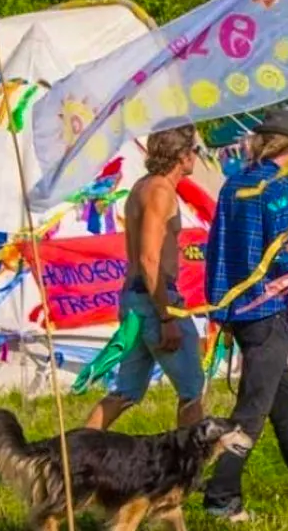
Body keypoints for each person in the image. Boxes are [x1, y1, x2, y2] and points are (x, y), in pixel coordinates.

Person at [202, 108, 288, 523]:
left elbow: (216, 247)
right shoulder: (280, 188)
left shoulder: (233, 184)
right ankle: (221, 494)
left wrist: (219, 302)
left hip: (238, 309)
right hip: (266, 312)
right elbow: (283, 258)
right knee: (252, 410)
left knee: (286, 400)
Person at [85, 126, 205, 430]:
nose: (197, 157)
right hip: (156, 299)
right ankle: (187, 472)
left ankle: (74, 456)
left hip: (137, 297)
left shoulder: (143, 186)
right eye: (195, 150)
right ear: (181, 155)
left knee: (126, 392)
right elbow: (149, 259)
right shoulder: (160, 191)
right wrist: (167, 317)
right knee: (192, 391)